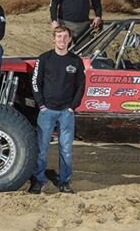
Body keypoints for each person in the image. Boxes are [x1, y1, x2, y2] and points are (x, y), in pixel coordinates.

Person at [28, 26, 86, 194]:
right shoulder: (44, 59)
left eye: (65, 36)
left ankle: (64, 182)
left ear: (69, 39)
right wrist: (41, 104)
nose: (61, 40)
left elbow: (81, 86)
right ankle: (39, 180)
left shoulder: (76, 61)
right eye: (58, 36)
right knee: (42, 148)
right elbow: (35, 82)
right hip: (47, 111)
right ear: (53, 39)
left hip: (66, 113)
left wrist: (71, 107)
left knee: (66, 150)